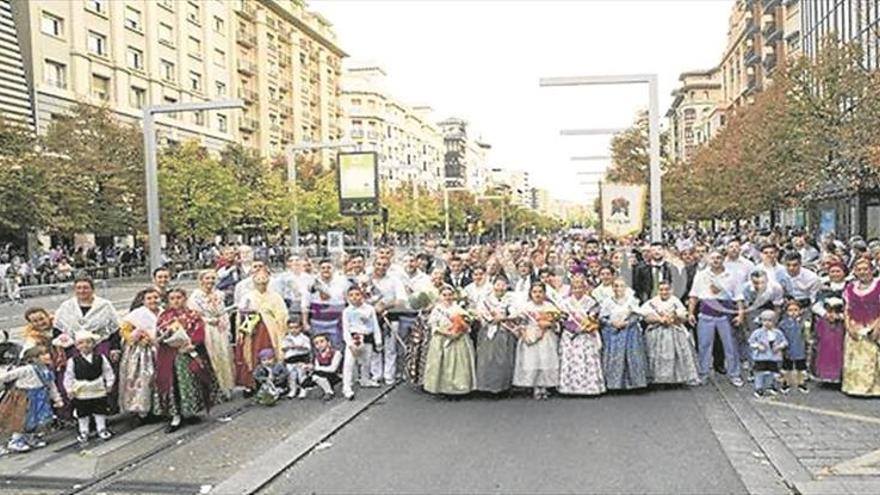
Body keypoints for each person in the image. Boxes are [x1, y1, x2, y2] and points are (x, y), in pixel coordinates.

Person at [154, 288, 217, 433]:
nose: (176, 301)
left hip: (188, 353)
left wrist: (192, 344)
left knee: (190, 382)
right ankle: (175, 415)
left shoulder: (193, 315)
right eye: (172, 298)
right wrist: (166, 337)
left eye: (179, 297)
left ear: (185, 298)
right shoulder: (164, 316)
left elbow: (199, 331)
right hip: (169, 355)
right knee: (172, 384)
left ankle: (190, 410)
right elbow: (159, 334)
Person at [688, 250, 745, 387]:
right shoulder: (701, 275)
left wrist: (741, 314)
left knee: (730, 345)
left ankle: (735, 374)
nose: (716, 260)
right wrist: (690, 313)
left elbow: (739, 297)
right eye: (713, 258)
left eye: (719, 257)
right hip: (706, 313)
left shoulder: (732, 276)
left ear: (723, 259)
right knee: (704, 345)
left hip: (725, 314)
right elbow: (694, 295)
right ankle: (703, 373)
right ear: (708, 260)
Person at [0, 346, 63, 453]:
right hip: (25, 398)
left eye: (47, 353)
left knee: (36, 419)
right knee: (22, 419)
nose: (47, 356)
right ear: (34, 358)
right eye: (42, 354)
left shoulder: (47, 370)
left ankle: (31, 437)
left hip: (40, 398)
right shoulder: (27, 369)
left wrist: (57, 399)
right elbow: (7, 376)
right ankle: (16, 440)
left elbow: (52, 386)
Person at [234, 269, 288, 392]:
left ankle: (274, 381)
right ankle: (252, 383)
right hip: (253, 330)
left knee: (269, 353)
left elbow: (282, 313)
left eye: (264, 281)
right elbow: (241, 313)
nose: (261, 284)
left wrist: (278, 322)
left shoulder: (275, 296)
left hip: (270, 330)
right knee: (251, 354)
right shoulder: (248, 296)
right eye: (258, 281)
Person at [641, 280, 700, 386]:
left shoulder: (675, 300)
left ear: (671, 290)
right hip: (657, 331)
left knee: (676, 354)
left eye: (666, 289)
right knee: (656, 354)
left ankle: (675, 378)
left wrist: (674, 317)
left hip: (674, 331)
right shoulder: (652, 301)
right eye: (661, 290)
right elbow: (645, 316)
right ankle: (657, 378)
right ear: (658, 291)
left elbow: (683, 316)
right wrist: (659, 319)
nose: (664, 292)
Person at [54, 276, 121, 367]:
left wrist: (115, 348)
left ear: (92, 289)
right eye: (79, 288)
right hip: (73, 348)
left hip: (99, 347)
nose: (82, 291)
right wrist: (61, 347)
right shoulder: (66, 306)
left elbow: (115, 328)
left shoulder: (105, 305)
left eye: (85, 288)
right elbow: (58, 328)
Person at [188, 270, 235, 399]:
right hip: (206, 329)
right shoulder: (195, 297)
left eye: (213, 278)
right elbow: (193, 316)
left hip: (220, 329)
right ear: (201, 280)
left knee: (224, 356)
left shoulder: (219, 294)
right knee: (210, 357)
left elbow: (223, 311)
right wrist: (208, 321)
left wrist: (225, 325)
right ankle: (213, 390)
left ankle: (225, 386)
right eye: (207, 278)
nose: (210, 281)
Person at [422, 285, 477, 396]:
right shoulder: (437, 309)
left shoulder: (459, 309)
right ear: (440, 296)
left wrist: (459, 331)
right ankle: (442, 387)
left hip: (459, 339)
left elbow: (467, 325)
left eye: (450, 295)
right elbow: (433, 326)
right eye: (445, 295)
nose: (448, 297)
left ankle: (459, 388)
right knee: (441, 363)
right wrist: (445, 332)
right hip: (441, 338)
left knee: (458, 364)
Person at [64, 331, 115, 446]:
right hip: (81, 390)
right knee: (83, 412)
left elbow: (108, 371)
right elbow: (69, 376)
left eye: (88, 342)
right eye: (81, 343)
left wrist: (109, 384)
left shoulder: (100, 358)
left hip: (98, 388)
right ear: (77, 346)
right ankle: (83, 431)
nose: (85, 345)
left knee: (100, 409)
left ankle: (101, 428)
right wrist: (69, 389)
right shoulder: (72, 361)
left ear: (94, 344)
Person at [557, 277, 605, 396]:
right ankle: (569, 388)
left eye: (580, 287)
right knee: (571, 359)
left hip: (587, 334)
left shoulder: (592, 302)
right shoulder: (565, 303)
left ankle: (590, 388)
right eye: (575, 288)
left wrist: (588, 326)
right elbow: (562, 319)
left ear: (585, 288)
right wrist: (574, 328)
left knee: (586, 359)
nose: (578, 290)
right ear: (571, 289)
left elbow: (595, 318)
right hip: (571, 335)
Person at [512, 283, 561, 400]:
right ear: (530, 293)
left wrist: (549, 324)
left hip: (546, 336)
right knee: (532, 360)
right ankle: (535, 386)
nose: (537, 294)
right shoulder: (525, 307)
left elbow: (557, 323)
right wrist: (524, 335)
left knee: (545, 360)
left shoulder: (550, 307)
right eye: (535, 292)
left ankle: (544, 386)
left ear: (544, 294)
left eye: (540, 292)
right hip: (531, 334)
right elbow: (520, 323)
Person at [117, 288, 161, 418]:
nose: (153, 301)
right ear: (143, 300)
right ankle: (142, 410)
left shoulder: (163, 312)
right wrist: (136, 337)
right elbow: (124, 330)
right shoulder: (137, 313)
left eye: (155, 297)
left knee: (158, 379)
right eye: (149, 298)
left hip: (159, 348)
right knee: (143, 381)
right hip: (141, 352)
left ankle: (158, 407)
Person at [21, 308, 72, 416]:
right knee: (58, 391)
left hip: (68, 361)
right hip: (51, 367)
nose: (40, 323)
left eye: (41, 318)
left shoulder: (60, 325)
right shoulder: (33, 337)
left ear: (47, 316)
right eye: (35, 321)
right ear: (30, 323)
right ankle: (64, 415)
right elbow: (26, 353)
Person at [600, 278, 648, 391]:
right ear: (613, 288)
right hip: (613, 332)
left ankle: (634, 383)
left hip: (629, 331)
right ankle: (614, 384)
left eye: (621, 286)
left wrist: (627, 323)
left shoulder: (632, 300)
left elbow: (638, 316)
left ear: (625, 288)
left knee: (631, 356)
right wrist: (612, 323)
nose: (618, 289)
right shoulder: (607, 301)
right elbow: (602, 317)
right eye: (616, 286)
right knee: (615, 357)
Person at [841, 258, 880, 396]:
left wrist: (877, 327)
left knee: (873, 359)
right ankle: (854, 388)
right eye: (859, 269)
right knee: (856, 359)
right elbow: (847, 308)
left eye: (865, 269)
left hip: (874, 325)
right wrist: (848, 326)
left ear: (872, 270)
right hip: (855, 326)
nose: (863, 272)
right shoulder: (850, 287)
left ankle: (873, 389)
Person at [474, 275, 517, 394]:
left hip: (504, 330)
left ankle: (502, 387)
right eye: (497, 284)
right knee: (486, 358)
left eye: (503, 285)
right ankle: (485, 386)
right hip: (488, 330)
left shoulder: (511, 298)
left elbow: (515, 312)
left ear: (507, 286)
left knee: (503, 359)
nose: (500, 287)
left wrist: (504, 317)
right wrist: (490, 318)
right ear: (493, 286)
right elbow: (480, 311)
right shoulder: (485, 298)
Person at [341, 285, 383, 400]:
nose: (354, 297)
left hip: (367, 337)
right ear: (348, 297)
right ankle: (346, 387)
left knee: (367, 361)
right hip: (354, 337)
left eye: (357, 294)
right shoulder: (347, 311)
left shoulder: (369, 309)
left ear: (362, 295)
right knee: (349, 363)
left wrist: (378, 341)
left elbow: (375, 325)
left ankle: (365, 379)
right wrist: (350, 344)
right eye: (351, 295)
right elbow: (345, 329)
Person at [812, 260, 847, 383]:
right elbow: (816, 305)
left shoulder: (849, 287)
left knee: (840, 349)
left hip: (842, 323)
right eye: (832, 271)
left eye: (838, 271)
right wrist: (825, 314)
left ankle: (840, 375)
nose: (835, 274)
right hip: (825, 323)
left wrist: (840, 316)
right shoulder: (824, 287)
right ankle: (825, 375)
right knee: (825, 349)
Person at [302, 259, 349, 350]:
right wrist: (305, 323)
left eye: (328, 267)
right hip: (317, 323)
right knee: (319, 351)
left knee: (337, 350)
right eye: (323, 268)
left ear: (334, 269)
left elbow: (348, 302)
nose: (326, 270)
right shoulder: (311, 283)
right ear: (319, 270)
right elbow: (305, 304)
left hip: (336, 324)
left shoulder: (343, 282)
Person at [749, 310, 788, 399]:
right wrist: (758, 346)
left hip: (773, 357)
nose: (767, 323)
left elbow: (785, 342)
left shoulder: (778, 333)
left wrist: (779, 346)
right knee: (759, 372)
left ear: (774, 321)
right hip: (761, 357)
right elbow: (751, 342)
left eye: (770, 320)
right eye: (764, 320)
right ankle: (759, 388)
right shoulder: (757, 333)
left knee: (773, 372)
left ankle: (770, 385)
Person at [299, 334, 342, 401]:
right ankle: (304, 389)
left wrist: (314, 368)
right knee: (311, 376)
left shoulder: (336, 353)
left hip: (335, 376)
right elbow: (317, 368)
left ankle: (329, 392)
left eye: (322, 341)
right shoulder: (317, 356)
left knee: (316, 376)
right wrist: (309, 368)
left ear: (328, 342)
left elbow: (333, 369)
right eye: (316, 343)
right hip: (322, 375)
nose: (319, 344)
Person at [779, 300, 808, 394]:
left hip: (800, 348)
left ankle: (801, 383)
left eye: (796, 310)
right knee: (787, 367)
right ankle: (786, 383)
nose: (793, 312)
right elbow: (780, 335)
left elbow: (807, 335)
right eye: (790, 310)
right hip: (788, 349)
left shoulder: (803, 323)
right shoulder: (783, 324)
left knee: (801, 367)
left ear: (800, 311)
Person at [281, 318, 312, 399]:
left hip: (300, 359)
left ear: (300, 328)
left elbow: (308, 348)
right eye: (291, 328)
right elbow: (283, 348)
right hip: (290, 360)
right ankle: (293, 390)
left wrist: (300, 347)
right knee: (292, 376)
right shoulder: (286, 338)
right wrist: (288, 346)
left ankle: (303, 390)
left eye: (296, 328)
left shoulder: (304, 338)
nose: (293, 330)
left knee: (301, 375)